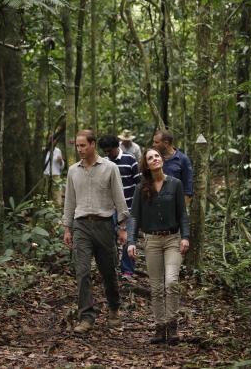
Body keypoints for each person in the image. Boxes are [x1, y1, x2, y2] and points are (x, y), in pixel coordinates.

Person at [62, 130, 129, 334]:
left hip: (104, 225)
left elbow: (119, 197)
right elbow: (70, 201)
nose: (80, 149)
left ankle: (114, 309)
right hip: (81, 225)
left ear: (92, 145)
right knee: (82, 272)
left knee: (108, 272)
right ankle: (86, 317)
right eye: (77, 146)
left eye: (83, 145)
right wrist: (67, 227)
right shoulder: (73, 170)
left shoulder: (109, 168)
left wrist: (123, 228)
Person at [127, 148, 190, 344]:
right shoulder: (141, 188)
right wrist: (131, 241)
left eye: (157, 156)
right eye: (150, 158)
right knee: (156, 288)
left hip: (173, 239)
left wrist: (185, 237)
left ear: (162, 160)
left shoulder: (175, 184)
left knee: (171, 282)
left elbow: (182, 214)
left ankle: (172, 326)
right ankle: (159, 327)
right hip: (151, 241)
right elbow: (134, 216)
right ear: (146, 165)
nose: (155, 159)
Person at [98, 134, 140, 277]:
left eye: (110, 150)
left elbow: (138, 182)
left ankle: (127, 270)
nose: (108, 154)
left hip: (129, 207)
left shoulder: (130, 160)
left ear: (117, 147)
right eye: (105, 152)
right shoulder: (103, 162)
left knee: (128, 239)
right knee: (110, 239)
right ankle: (111, 268)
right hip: (110, 208)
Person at [153, 129, 193, 207]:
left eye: (156, 142)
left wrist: (181, 210)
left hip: (175, 205)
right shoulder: (155, 159)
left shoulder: (182, 159)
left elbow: (188, 189)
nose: (153, 144)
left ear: (166, 143)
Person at [43, 140, 65, 206]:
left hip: (56, 175)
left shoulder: (58, 151)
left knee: (57, 193)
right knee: (46, 192)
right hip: (46, 175)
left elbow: (62, 166)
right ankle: (47, 207)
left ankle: (57, 208)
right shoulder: (44, 150)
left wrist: (61, 160)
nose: (52, 142)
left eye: (54, 141)